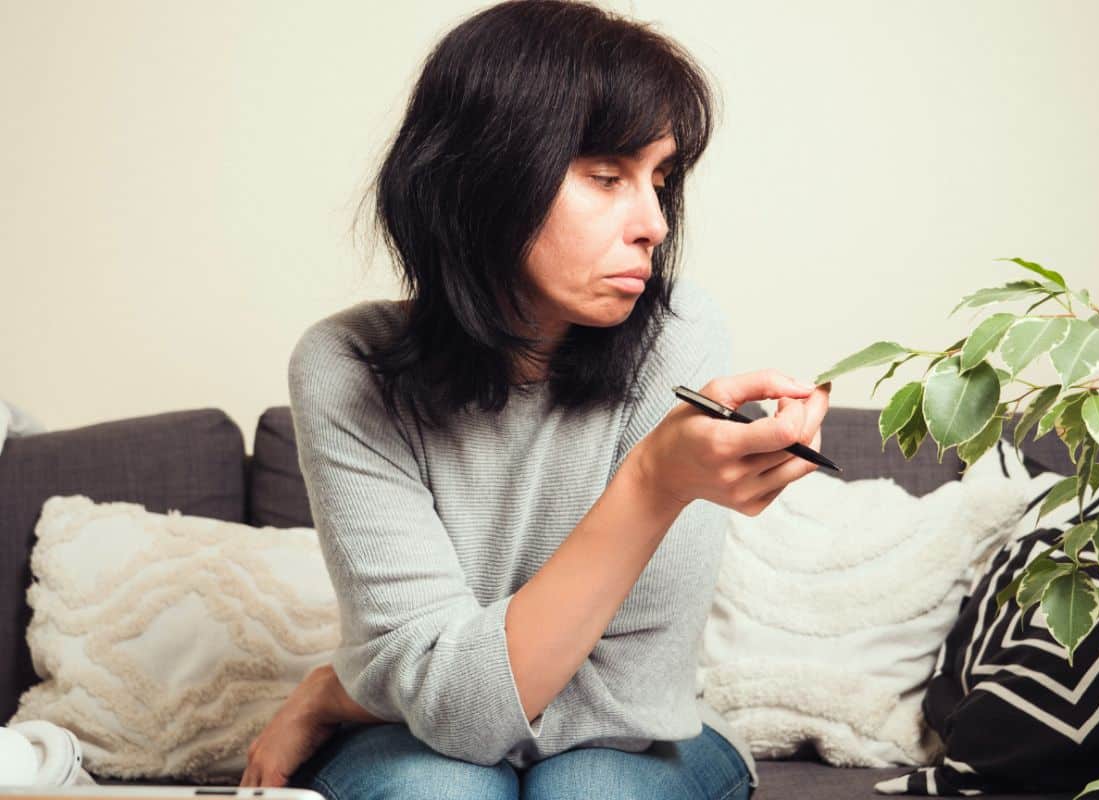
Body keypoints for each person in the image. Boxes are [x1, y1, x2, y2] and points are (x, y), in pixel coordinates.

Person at [239, 1, 831, 798]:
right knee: (438, 789)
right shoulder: (346, 366)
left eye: (660, 179)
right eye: (605, 176)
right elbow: (461, 720)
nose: (654, 222)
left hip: (641, 742)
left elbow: (627, 700)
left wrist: (352, 693)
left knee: (591, 788)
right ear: (482, 176)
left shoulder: (680, 335)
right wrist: (651, 485)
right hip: (422, 747)